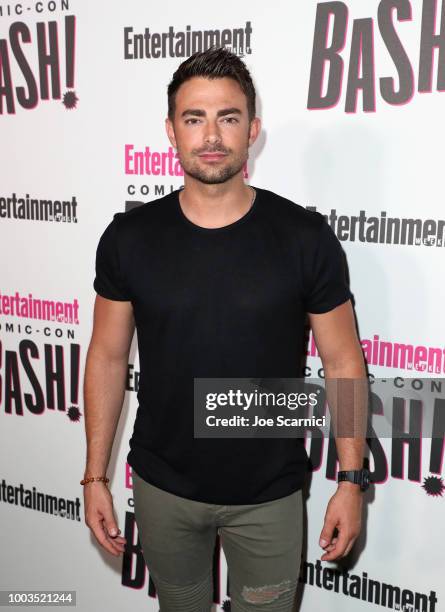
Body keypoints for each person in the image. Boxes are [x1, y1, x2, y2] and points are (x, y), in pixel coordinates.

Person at [82, 46, 368, 611]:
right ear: (171, 130)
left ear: (252, 129)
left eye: (228, 117)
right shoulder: (129, 238)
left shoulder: (304, 238)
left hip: (269, 497)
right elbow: (107, 357)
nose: (211, 134)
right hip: (163, 489)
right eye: (194, 118)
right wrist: (95, 477)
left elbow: (343, 362)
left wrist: (352, 478)